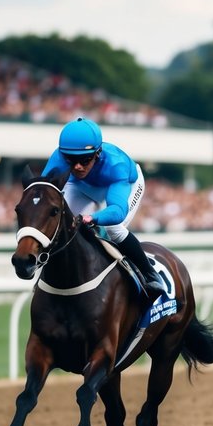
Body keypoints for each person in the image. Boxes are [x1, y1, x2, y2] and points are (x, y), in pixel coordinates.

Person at [42, 117, 165, 300]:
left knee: (112, 228)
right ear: (63, 155)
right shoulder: (58, 159)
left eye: (85, 159)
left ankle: (148, 273)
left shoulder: (117, 165)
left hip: (124, 185)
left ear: (98, 153)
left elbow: (117, 211)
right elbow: (43, 193)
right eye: (71, 160)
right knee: (64, 223)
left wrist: (93, 218)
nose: (77, 166)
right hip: (83, 185)